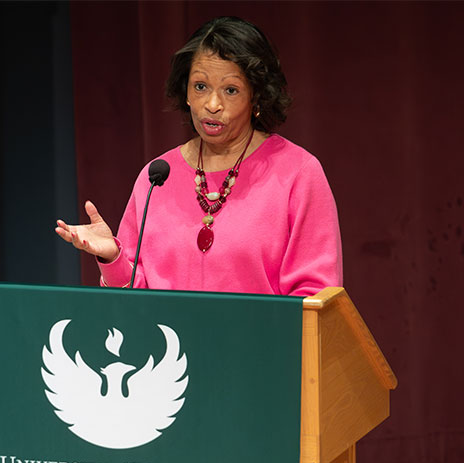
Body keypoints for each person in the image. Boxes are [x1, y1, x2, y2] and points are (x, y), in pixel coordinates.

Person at [56, 16, 342, 296]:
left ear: (257, 97)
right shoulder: (156, 176)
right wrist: (113, 257)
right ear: (186, 92)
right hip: (170, 344)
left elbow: (315, 297)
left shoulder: (298, 172)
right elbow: (135, 303)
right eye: (201, 87)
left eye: (230, 90)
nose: (212, 104)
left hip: (261, 342)